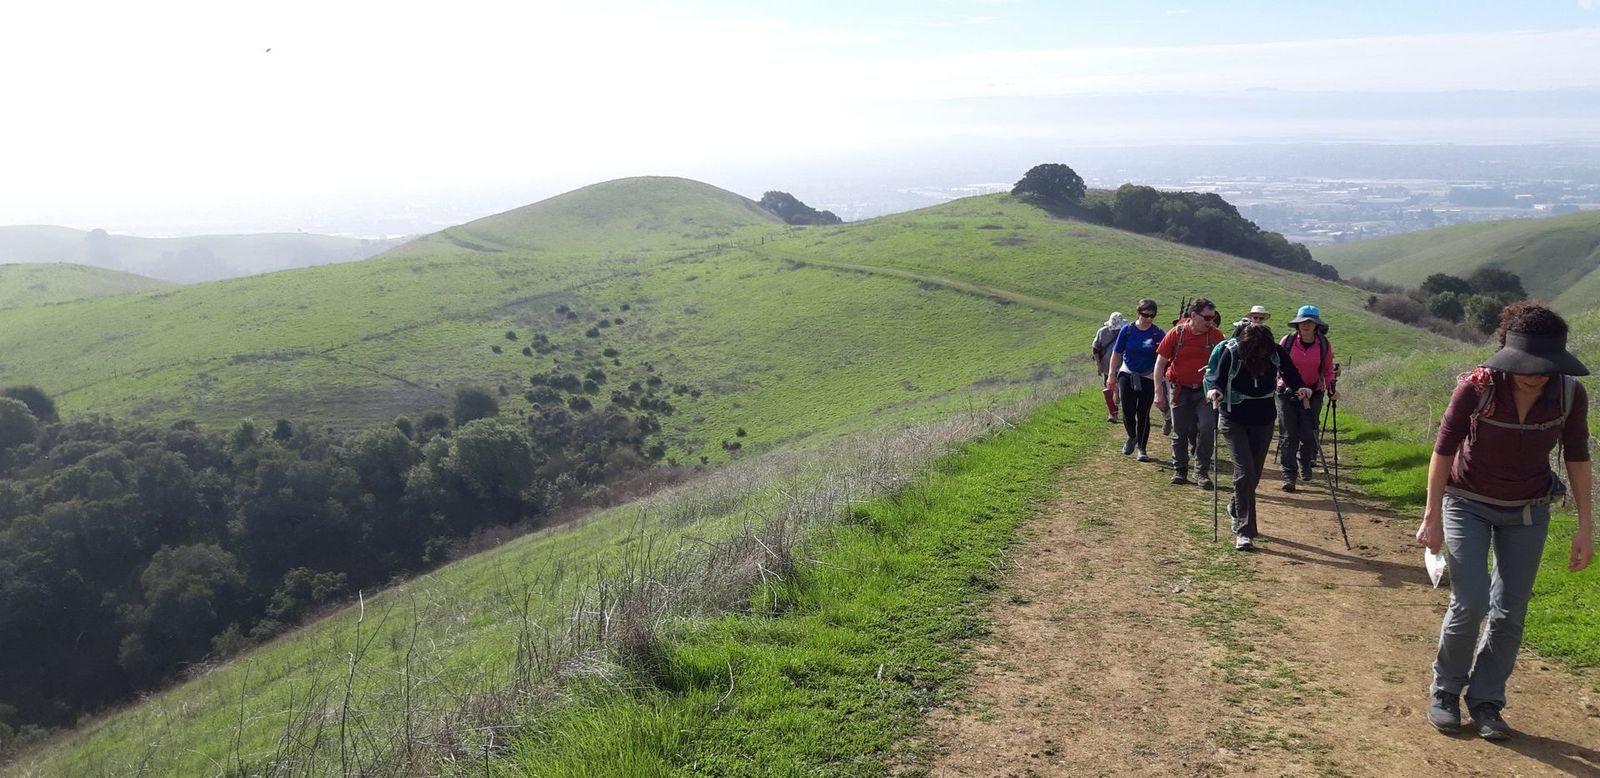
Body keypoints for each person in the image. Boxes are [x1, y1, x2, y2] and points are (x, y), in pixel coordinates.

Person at [1416, 302, 1592, 740]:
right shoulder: (1476, 388)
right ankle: (1445, 691)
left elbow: (1577, 457)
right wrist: (1431, 516)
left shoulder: (1570, 394)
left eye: (1546, 366)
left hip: (1528, 509)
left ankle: (1487, 701)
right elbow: (1443, 450)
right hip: (1466, 503)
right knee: (1471, 601)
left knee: (1510, 611)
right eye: (1527, 365)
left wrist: (1586, 527)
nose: (1536, 375)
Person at [1205, 323, 1309, 550]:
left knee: (1255, 473)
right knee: (1245, 471)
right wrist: (1215, 391)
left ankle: (1236, 506)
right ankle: (1244, 531)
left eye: (1264, 350)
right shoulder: (1232, 351)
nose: (1261, 354)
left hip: (1264, 419)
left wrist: (1301, 387)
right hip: (1233, 419)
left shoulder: (1275, 352)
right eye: (1257, 350)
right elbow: (1216, 379)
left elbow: (1291, 375)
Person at [1154, 297, 1226, 489]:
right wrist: (1158, 392)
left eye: (1213, 317)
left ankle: (1201, 472)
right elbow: (1160, 363)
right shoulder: (1176, 333)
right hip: (1179, 388)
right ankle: (1180, 470)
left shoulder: (1217, 336)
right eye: (1207, 317)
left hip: (1205, 391)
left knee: (1208, 428)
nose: (1211, 321)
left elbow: (1225, 364)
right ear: (1193, 315)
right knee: (1180, 432)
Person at [1276, 305, 1337, 492]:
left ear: (1316, 325)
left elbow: (1328, 369)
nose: (1306, 324)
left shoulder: (1324, 345)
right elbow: (1278, 365)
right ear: (1297, 323)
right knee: (1289, 434)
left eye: (1310, 322)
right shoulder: (1287, 341)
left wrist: (1331, 387)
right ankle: (1289, 475)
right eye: (1303, 321)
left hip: (1313, 392)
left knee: (1309, 432)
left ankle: (1305, 463)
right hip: (1287, 392)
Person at [1106, 299, 1164, 462]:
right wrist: (1111, 374)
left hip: (1148, 376)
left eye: (1152, 315)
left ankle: (1142, 449)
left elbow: (1165, 356)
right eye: (1145, 315)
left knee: (1143, 413)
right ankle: (1132, 436)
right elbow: (1116, 353)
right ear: (1138, 314)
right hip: (1127, 373)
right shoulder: (1127, 330)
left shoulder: (1158, 333)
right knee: (1128, 410)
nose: (1149, 319)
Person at [1091, 312, 1126, 423]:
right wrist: (1098, 365)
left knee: (1118, 389)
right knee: (1109, 389)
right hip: (1107, 366)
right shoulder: (1102, 332)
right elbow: (1095, 350)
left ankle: (1118, 409)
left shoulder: (1126, 332)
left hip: (1123, 366)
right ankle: (1112, 412)